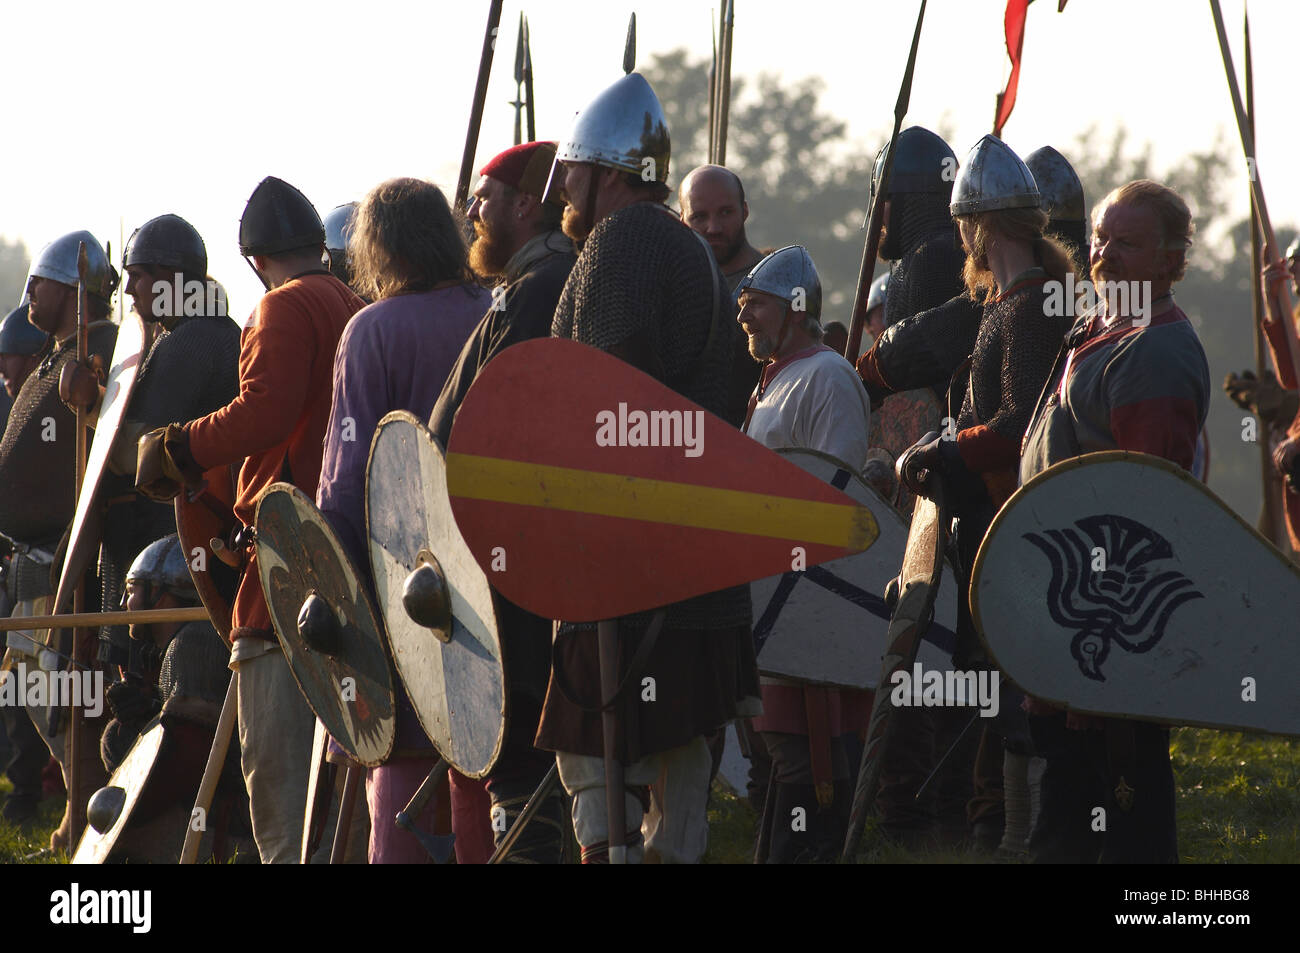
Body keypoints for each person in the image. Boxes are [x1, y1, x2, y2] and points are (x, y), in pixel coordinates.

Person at [541, 71, 758, 863]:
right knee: (681, 766)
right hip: (693, 563)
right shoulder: (690, 251)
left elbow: (608, 398)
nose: (564, 186)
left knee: (597, 764)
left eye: (573, 170)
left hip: (635, 567)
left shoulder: (623, 242)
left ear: (608, 174)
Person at [135, 176, 367, 863]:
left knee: (279, 776)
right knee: (347, 780)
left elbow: (265, 411)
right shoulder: (353, 304)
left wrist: (181, 447)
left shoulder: (281, 308)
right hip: (352, 560)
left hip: (286, 574)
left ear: (255, 262)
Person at [1018, 178, 1209, 863]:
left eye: (1126, 243)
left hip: (1111, 632)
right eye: (1099, 238)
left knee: (1116, 826)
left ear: (1169, 257)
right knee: (1073, 813)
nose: (1104, 255)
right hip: (1079, 622)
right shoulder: (1103, 326)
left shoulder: (1152, 351)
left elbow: (1143, 518)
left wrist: (1096, 646)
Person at [898, 135, 1075, 851]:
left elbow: (1015, 428)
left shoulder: (1030, 307)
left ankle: (1018, 839)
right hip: (992, 527)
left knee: (1013, 696)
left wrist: (940, 449)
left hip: (1015, 526)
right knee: (997, 690)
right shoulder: (1009, 301)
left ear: (977, 225)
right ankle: (1003, 836)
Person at [317, 175, 493, 863]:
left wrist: (338, 605)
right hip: (498, 598)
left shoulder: (373, 330)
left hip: (404, 602)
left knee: (401, 801)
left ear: (379, 246)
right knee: (492, 790)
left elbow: (346, 487)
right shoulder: (497, 311)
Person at [430, 141, 577, 863]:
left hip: (522, 561)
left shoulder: (544, 286)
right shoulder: (527, 283)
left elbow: (502, 424)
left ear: (526, 203)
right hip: (505, 553)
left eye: (484, 198)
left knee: (523, 749)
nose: (472, 212)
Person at [737, 245, 872, 862]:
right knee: (777, 748)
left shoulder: (828, 377)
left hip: (810, 600)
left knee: (806, 748)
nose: (745, 318)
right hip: (769, 594)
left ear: (794, 309)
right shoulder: (776, 383)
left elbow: (836, 496)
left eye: (755, 305)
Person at [61, 213, 240, 675]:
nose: (130, 289)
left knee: (157, 694)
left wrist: (90, 405)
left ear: (170, 277)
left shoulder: (191, 342)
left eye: (138, 276)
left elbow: (140, 455)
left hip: (172, 556)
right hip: (170, 548)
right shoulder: (202, 332)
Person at [0, 231, 118, 850]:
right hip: (32, 558)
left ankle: (87, 815)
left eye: (37, 284)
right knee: (35, 690)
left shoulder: (102, 352)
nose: (28, 297)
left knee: (62, 695)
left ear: (71, 289)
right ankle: (77, 809)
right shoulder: (57, 353)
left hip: (64, 558)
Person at [96, 535, 254, 863]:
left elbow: (187, 763)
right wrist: (149, 714)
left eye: (131, 591)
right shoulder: (173, 647)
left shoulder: (194, 642)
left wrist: (134, 737)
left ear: (160, 593)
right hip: (214, 810)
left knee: (120, 830)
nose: (125, 604)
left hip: (231, 823)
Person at [679, 164, 764, 428]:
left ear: (745, 211)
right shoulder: (677, 287)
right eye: (699, 217)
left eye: (725, 212)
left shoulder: (773, 284)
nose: (713, 227)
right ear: (682, 219)